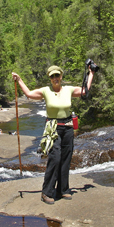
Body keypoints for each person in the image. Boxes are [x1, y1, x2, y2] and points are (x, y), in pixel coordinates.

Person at [12, 65, 95, 204]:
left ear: (61, 76)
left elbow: (84, 91)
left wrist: (91, 73)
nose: (55, 78)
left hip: (68, 127)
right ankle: (47, 192)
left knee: (66, 158)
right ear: (49, 78)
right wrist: (19, 80)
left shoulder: (68, 89)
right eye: (52, 76)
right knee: (55, 158)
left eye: (57, 75)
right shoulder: (45, 91)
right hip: (53, 128)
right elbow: (29, 94)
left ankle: (63, 190)